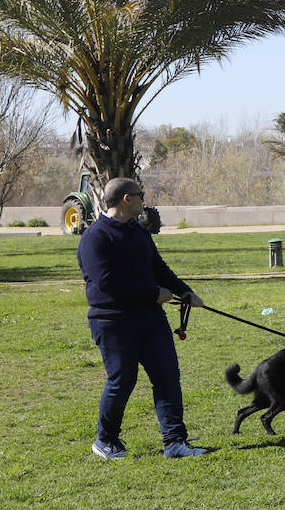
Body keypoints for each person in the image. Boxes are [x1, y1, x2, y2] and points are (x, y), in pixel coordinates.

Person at [79, 177, 210, 459]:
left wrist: (185, 292)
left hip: (150, 319)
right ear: (127, 199)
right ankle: (105, 440)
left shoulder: (139, 232)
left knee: (167, 377)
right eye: (141, 195)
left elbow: (159, 268)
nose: (144, 200)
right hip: (112, 321)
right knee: (122, 380)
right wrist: (152, 293)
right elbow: (106, 282)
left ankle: (175, 442)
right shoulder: (96, 237)